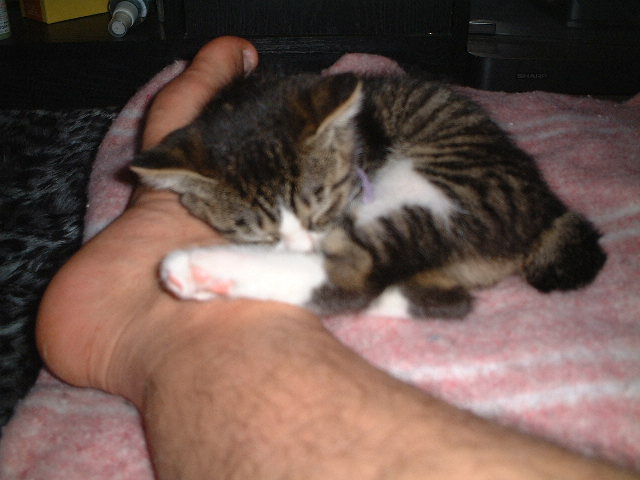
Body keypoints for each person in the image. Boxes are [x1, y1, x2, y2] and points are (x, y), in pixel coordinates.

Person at [36, 36, 638, 480]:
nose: (300, 238)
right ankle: (421, 294)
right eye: (264, 232)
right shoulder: (246, 172)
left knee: (397, 181)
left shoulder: (334, 130)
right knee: (373, 206)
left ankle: (329, 280)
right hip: (451, 248)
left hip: (484, 207)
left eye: (311, 213)